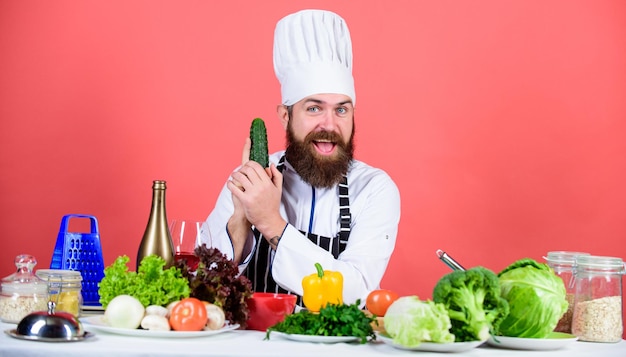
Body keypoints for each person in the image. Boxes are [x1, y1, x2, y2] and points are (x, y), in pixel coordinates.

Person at [201, 9, 401, 307]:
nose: (330, 125)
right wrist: (241, 219)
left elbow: (355, 293)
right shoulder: (250, 179)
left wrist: (270, 222)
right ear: (286, 116)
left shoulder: (374, 189)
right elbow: (203, 289)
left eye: (341, 110)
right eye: (314, 108)